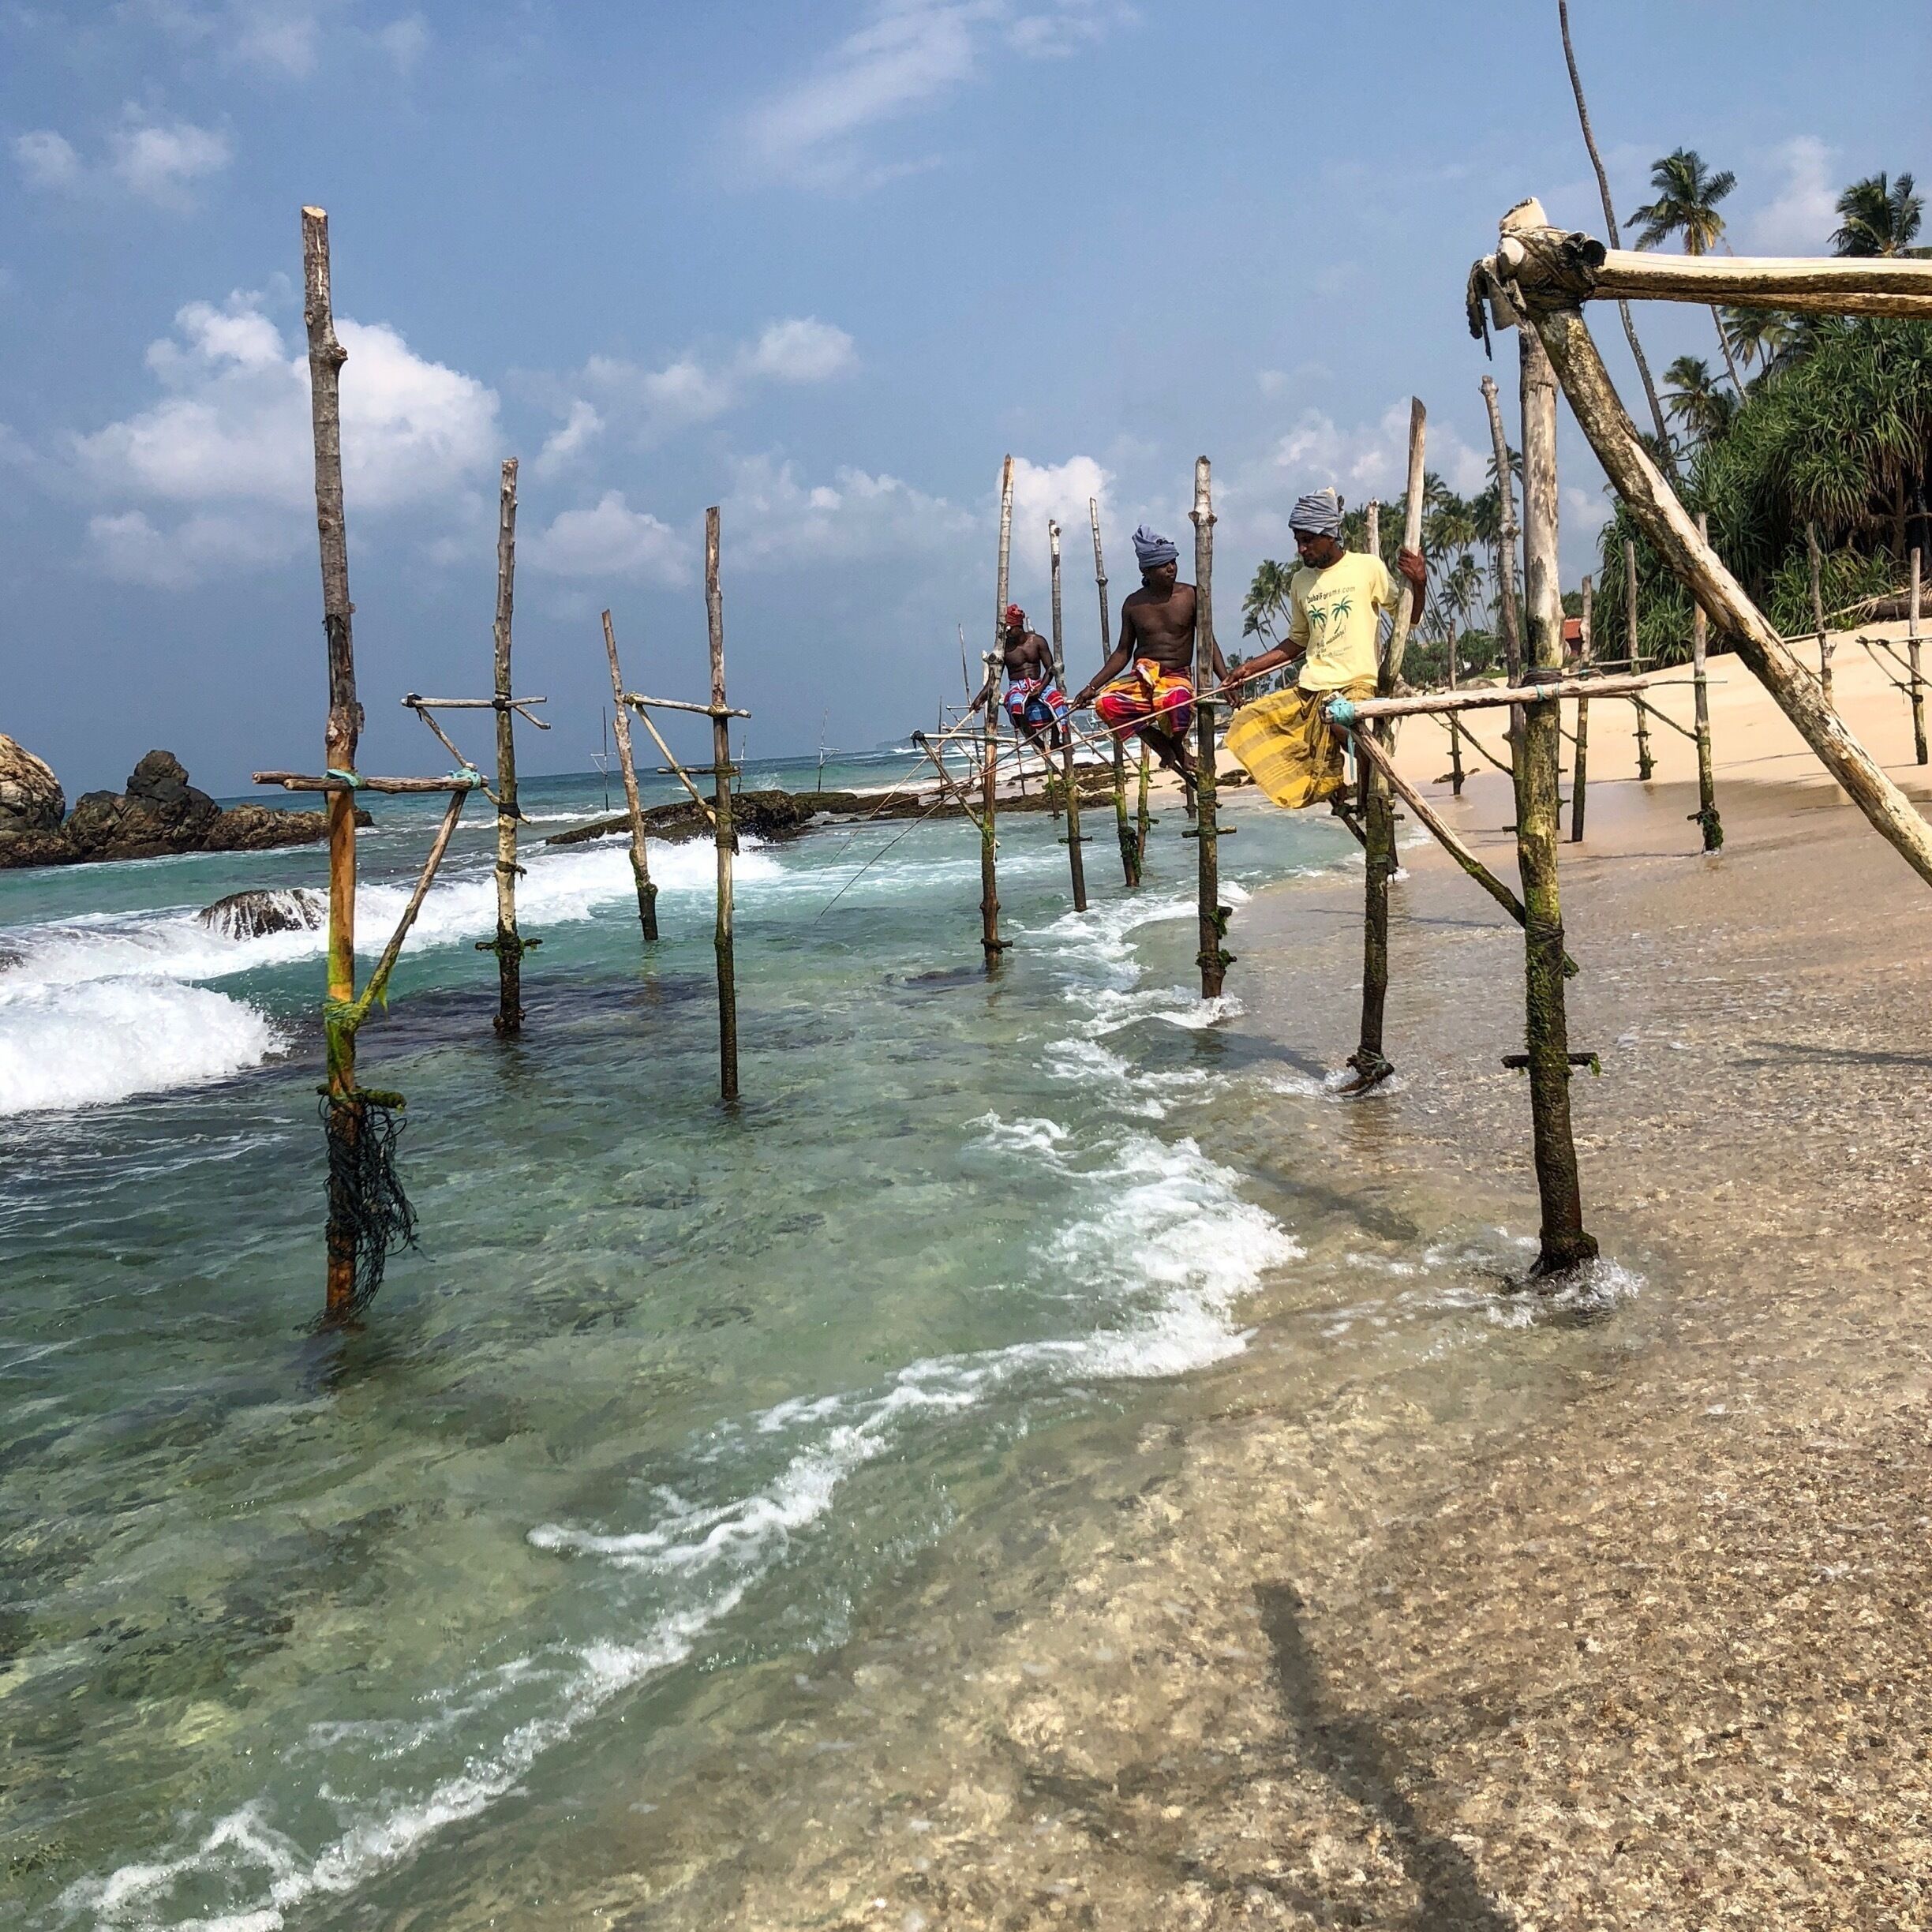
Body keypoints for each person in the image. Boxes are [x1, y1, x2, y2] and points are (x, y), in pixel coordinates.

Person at [1222, 489, 1427, 809]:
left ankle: (1373, 784)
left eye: (1308, 540)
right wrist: (1248, 669)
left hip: (1355, 682)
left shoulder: (1367, 568)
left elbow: (1407, 619)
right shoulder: (1300, 582)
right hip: (1312, 685)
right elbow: (1297, 642)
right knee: (1246, 723)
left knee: (1337, 722)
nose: (1302, 549)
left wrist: (1419, 583)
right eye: (1297, 541)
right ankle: (1331, 783)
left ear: (1330, 535)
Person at [1071, 525, 1227, 788]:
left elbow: (1207, 641)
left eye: (1173, 562)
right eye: (1163, 564)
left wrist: (1225, 679)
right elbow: (1122, 653)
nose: (1171, 568)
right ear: (1146, 571)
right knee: (1106, 703)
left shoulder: (1190, 595)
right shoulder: (1133, 604)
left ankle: (1176, 747)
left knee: (1175, 700)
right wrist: (1091, 687)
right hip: (1143, 676)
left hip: (1176, 678)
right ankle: (1161, 745)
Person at [970, 604, 1069, 754]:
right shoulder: (1003, 650)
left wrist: (1041, 688)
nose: (1007, 633)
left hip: (1038, 682)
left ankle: (1056, 740)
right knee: (1016, 706)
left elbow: (1051, 668)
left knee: (1056, 700)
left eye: (1009, 629)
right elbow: (994, 680)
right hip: (1017, 686)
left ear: (1018, 626)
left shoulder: (1037, 641)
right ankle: (1037, 741)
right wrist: (980, 698)